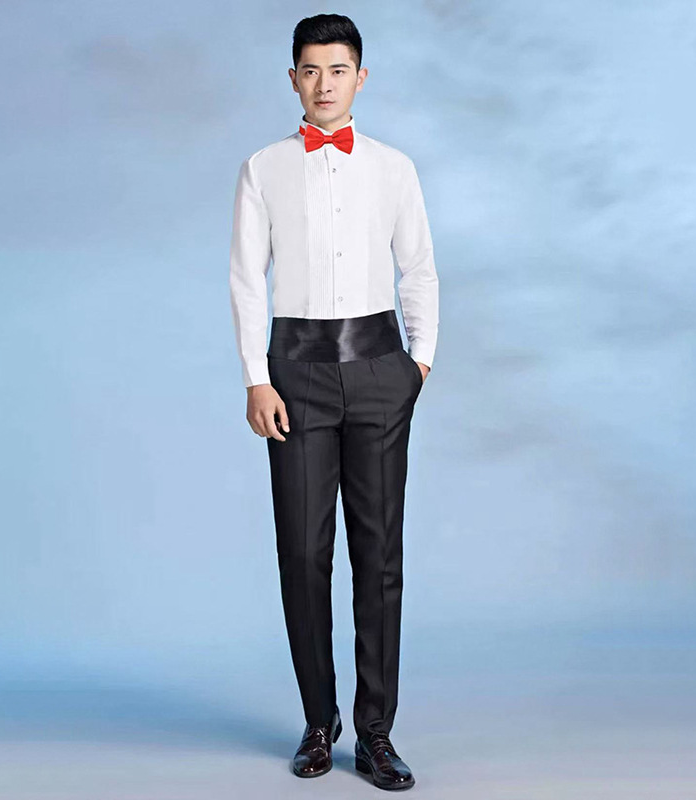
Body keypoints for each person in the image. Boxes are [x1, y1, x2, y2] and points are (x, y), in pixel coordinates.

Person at [228, 13, 438, 791]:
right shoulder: (262, 168)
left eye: (338, 69)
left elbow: (419, 268)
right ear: (293, 78)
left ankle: (376, 733)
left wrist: (418, 362)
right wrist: (256, 377)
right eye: (311, 70)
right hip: (296, 376)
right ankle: (319, 721)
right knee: (302, 553)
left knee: (379, 558)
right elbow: (248, 279)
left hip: (381, 369)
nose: (324, 84)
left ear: (361, 77)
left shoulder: (394, 168)